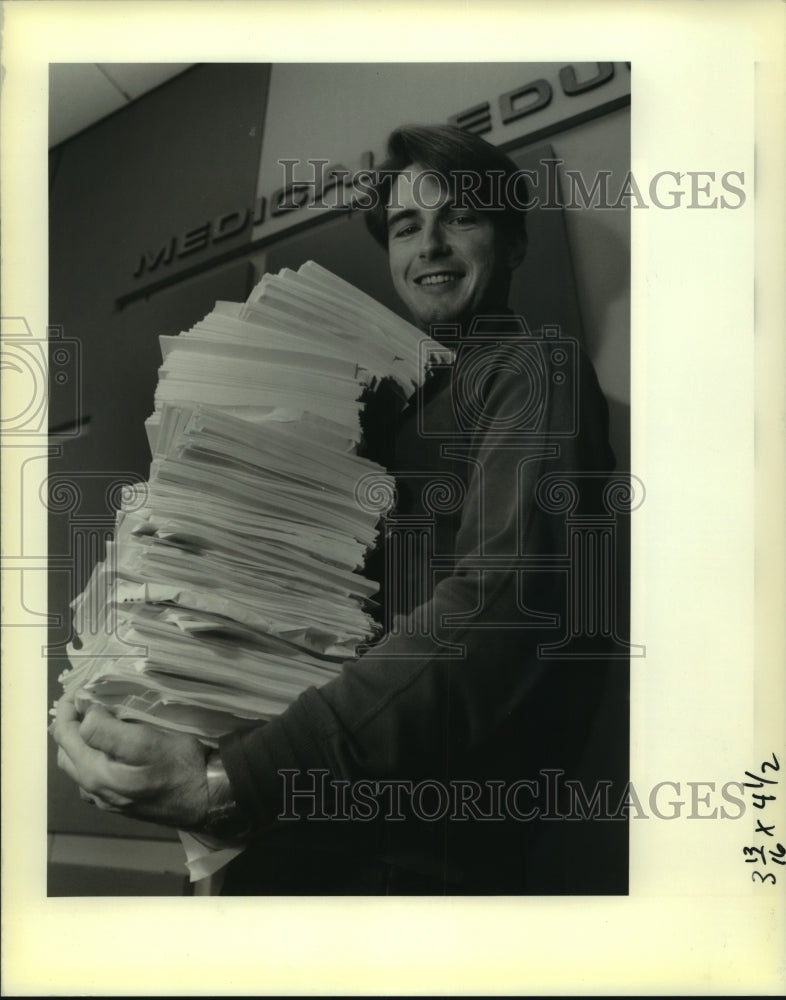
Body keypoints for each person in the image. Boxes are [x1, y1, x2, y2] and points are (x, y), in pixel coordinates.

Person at [52, 124, 626, 894]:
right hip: (287, 832)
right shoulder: (378, 407)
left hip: (413, 858)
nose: (431, 245)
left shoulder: (535, 367)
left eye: (462, 217)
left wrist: (231, 784)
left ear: (515, 242)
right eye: (406, 226)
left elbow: (501, 607)